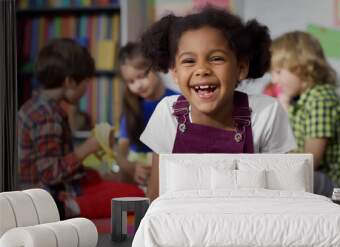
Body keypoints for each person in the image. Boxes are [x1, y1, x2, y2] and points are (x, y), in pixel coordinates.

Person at [138, 6, 297, 201]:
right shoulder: (167, 113)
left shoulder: (267, 113)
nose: (202, 70)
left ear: (241, 68)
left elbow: (285, 196)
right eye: (189, 61)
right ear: (175, 74)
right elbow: (156, 197)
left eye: (216, 58)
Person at [18, 38, 145, 219]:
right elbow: (49, 174)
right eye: (86, 82)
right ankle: (67, 210)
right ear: (70, 82)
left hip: (62, 187)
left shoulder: (40, 107)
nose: (86, 89)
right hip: (49, 197)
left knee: (106, 181)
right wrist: (88, 148)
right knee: (136, 197)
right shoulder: (46, 117)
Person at [270, 31, 340, 196]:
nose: (274, 81)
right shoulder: (302, 101)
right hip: (318, 175)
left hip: (336, 185)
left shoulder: (321, 99)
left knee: (275, 182)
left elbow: (310, 162)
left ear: (300, 68)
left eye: (278, 72)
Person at [115, 42, 177, 185]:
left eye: (142, 76)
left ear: (156, 67)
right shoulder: (133, 106)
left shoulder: (177, 102)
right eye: (131, 81)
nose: (138, 85)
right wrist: (130, 167)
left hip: (168, 168)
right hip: (138, 171)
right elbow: (121, 151)